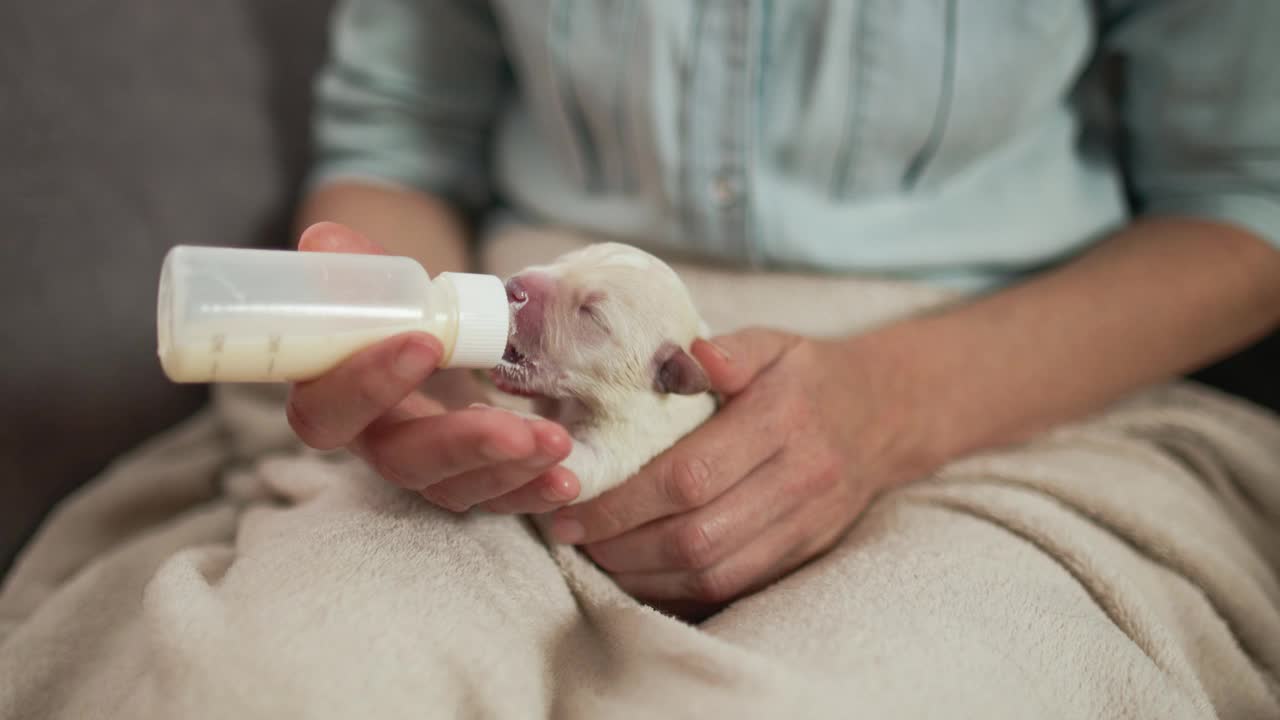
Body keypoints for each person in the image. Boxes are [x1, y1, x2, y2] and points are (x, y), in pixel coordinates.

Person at [285, 0, 1280, 612]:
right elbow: (393, 148)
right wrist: (408, 343)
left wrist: (897, 402)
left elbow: (1248, 209)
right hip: (506, 385)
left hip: (1005, 393)